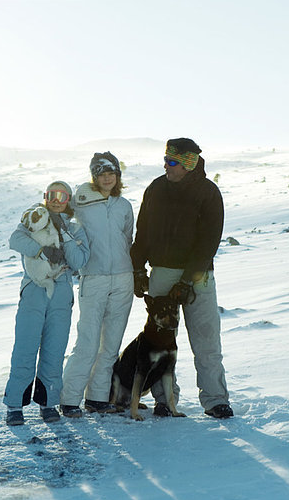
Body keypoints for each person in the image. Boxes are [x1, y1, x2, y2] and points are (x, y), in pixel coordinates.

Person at [130, 138, 233, 419]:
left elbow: (208, 242)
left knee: (206, 338)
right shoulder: (156, 189)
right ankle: (164, 399)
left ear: (188, 164)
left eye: (172, 162)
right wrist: (139, 269)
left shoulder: (208, 193)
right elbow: (143, 232)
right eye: (165, 160)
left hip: (198, 276)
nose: (166, 166)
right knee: (160, 340)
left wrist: (187, 280)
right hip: (162, 272)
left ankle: (215, 400)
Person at [4, 181, 90, 426]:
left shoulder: (75, 228)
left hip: (62, 291)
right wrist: (41, 250)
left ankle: (48, 402)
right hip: (34, 287)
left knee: (55, 347)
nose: (56, 199)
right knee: (26, 345)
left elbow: (80, 260)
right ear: (45, 197)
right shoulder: (34, 218)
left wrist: (64, 233)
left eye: (62, 195)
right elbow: (15, 240)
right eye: (52, 194)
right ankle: (14, 405)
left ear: (68, 200)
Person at [60, 152, 134, 417]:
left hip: (124, 278)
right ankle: (69, 398)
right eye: (102, 173)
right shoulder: (81, 203)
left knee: (111, 344)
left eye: (111, 173)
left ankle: (97, 398)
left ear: (117, 176)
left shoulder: (124, 205)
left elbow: (128, 237)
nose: (107, 178)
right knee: (88, 342)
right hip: (94, 278)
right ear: (94, 176)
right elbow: (60, 221)